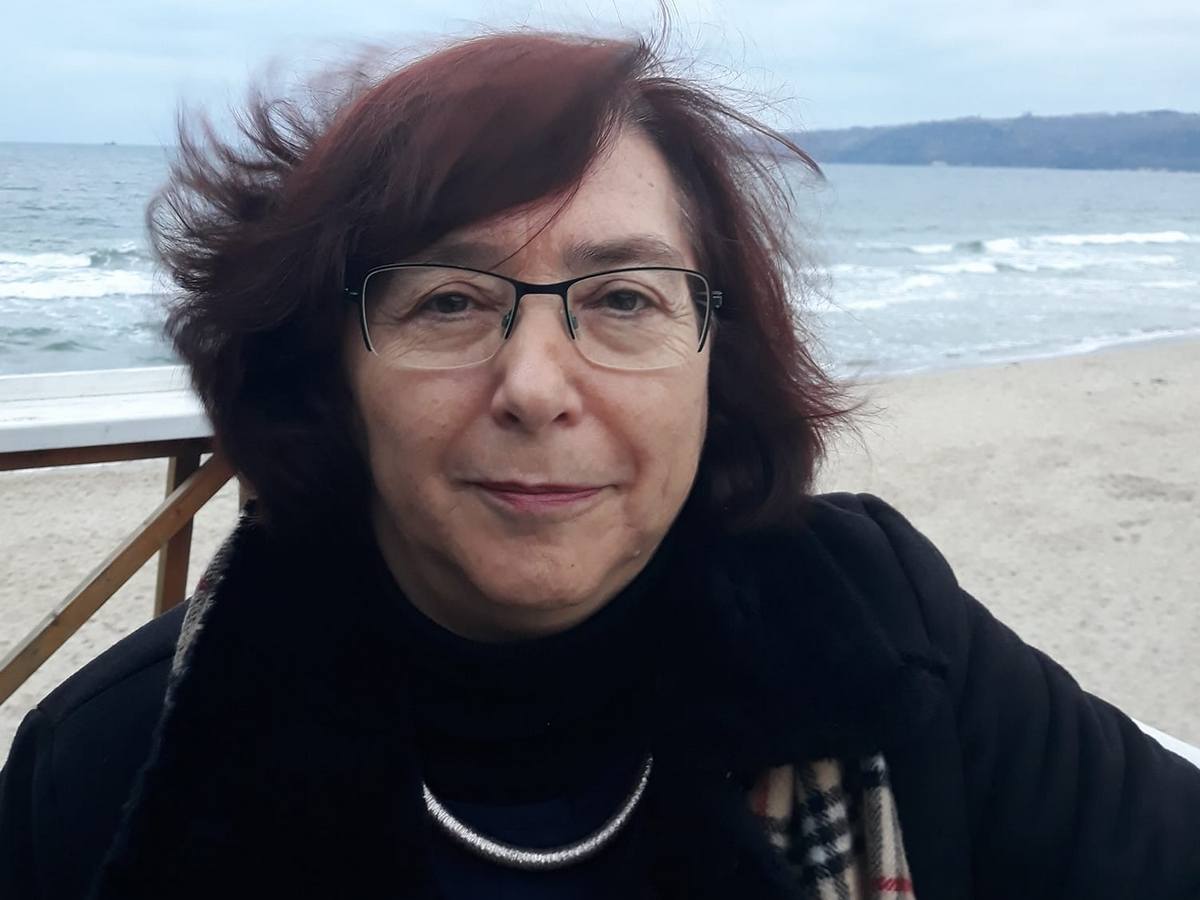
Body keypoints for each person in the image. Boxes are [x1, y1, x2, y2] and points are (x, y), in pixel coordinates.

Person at [2, 27, 1199, 900]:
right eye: (450, 301)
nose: (535, 387)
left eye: (624, 298)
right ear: (329, 369)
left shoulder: (877, 628)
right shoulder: (110, 770)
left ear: (716, 358)